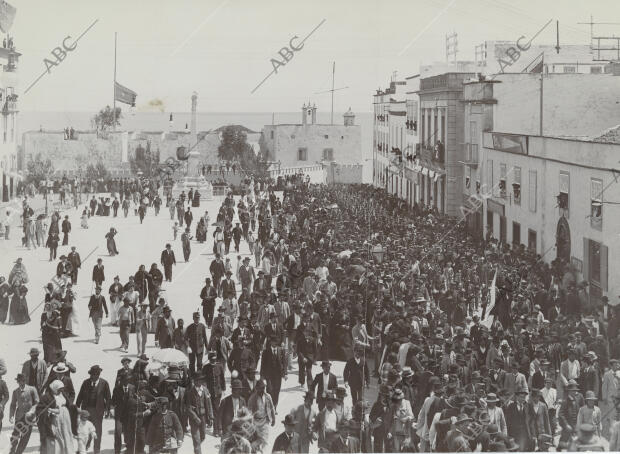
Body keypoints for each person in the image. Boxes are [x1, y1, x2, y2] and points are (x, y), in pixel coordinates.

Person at [76, 365, 111, 454]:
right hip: (86, 410)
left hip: (98, 411)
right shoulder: (85, 382)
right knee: (84, 430)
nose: (93, 377)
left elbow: (108, 397)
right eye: (92, 375)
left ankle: (97, 450)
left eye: (95, 375)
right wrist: (77, 406)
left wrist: (107, 410)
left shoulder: (104, 383)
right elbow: (80, 395)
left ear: (98, 375)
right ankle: (84, 447)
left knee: (97, 431)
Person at [37, 379, 75, 454]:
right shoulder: (46, 396)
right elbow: (40, 409)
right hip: (55, 419)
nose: (61, 391)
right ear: (54, 388)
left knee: (66, 434)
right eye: (59, 389)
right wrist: (49, 411)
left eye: (62, 389)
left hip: (65, 418)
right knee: (57, 436)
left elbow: (69, 404)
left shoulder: (62, 394)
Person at [8, 373, 39, 454]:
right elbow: (13, 405)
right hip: (19, 418)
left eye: (23, 381)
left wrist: (31, 411)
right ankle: (12, 452)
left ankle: (18, 452)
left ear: (25, 381)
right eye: (19, 381)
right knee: (14, 437)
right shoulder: (15, 392)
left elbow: (37, 402)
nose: (21, 383)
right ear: (17, 382)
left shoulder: (32, 389)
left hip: (29, 419)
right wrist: (11, 415)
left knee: (25, 439)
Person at [186, 371, 214, 454]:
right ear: (194, 381)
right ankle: (197, 450)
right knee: (196, 440)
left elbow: (209, 404)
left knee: (203, 437)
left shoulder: (205, 390)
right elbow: (188, 408)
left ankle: (197, 448)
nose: (200, 381)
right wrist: (195, 418)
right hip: (194, 419)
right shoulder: (190, 392)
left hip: (203, 417)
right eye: (198, 380)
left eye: (201, 380)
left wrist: (211, 417)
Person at [260, 335, 287, 410]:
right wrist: (261, 376)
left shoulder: (281, 350)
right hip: (269, 375)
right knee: (269, 390)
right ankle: (270, 406)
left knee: (277, 391)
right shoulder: (266, 351)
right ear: (270, 342)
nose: (274, 343)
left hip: (278, 375)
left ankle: (275, 406)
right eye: (273, 342)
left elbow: (284, 362)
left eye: (276, 342)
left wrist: (285, 373)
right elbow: (263, 364)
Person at [112, 373, 135, 454]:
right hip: (119, 415)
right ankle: (117, 451)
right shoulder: (117, 389)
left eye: (128, 380)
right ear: (121, 381)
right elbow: (113, 401)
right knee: (118, 432)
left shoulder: (132, 388)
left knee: (129, 432)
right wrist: (112, 409)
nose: (126, 382)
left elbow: (135, 400)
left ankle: (129, 449)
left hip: (129, 415)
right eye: (124, 380)